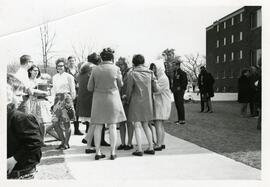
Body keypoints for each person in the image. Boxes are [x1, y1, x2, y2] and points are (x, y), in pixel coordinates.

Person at [87, 48, 126, 160]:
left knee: (98, 126)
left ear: (101, 58)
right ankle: (112, 153)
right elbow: (121, 84)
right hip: (112, 98)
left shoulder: (95, 69)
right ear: (112, 58)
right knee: (112, 126)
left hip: (98, 99)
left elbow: (89, 87)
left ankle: (98, 152)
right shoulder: (116, 69)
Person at [7, 74, 43, 179]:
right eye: (18, 95)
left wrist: (14, 159)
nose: (22, 99)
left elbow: (35, 142)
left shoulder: (22, 117)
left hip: (22, 172)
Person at [126, 54, 159, 156]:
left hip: (136, 102)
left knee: (137, 125)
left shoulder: (132, 73)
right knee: (146, 124)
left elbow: (129, 90)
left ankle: (139, 149)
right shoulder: (150, 73)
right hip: (147, 102)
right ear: (143, 62)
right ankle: (150, 147)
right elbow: (156, 89)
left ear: (133, 63)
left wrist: (127, 99)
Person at [51, 58, 76, 150]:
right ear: (56, 67)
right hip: (57, 99)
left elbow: (73, 91)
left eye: (61, 65)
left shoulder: (69, 76)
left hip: (66, 99)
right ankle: (62, 141)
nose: (60, 67)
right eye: (58, 66)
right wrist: (52, 102)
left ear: (65, 66)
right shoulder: (54, 77)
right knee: (55, 122)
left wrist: (70, 103)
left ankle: (66, 143)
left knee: (66, 123)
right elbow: (53, 90)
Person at [77, 53, 99, 154]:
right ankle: (88, 146)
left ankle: (87, 139)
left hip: (83, 98)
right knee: (93, 123)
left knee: (91, 123)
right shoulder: (94, 69)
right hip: (91, 98)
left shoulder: (83, 68)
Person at [27, 65, 53, 144]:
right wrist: (42, 92)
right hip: (31, 103)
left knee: (43, 123)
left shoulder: (41, 81)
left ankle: (42, 140)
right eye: (34, 70)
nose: (36, 72)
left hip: (41, 102)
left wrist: (46, 92)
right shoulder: (28, 81)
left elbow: (47, 92)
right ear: (30, 71)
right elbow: (31, 92)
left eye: (37, 70)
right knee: (33, 123)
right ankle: (34, 140)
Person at [150, 62, 172, 151]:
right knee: (160, 124)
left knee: (158, 124)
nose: (153, 70)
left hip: (161, 104)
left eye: (154, 67)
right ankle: (162, 143)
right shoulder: (162, 77)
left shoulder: (162, 78)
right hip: (162, 103)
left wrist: (153, 80)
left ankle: (158, 144)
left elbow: (157, 90)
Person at [115, 57, 134, 150]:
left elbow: (130, 87)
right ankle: (123, 143)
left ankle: (129, 143)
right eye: (119, 64)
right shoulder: (120, 72)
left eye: (121, 64)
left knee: (130, 122)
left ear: (126, 64)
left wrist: (126, 98)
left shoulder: (130, 73)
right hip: (120, 100)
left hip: (129, 101)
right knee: (122, 123)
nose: (120, 66)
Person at [67, 56, 83, 135]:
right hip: (68, 93)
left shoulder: (79, 71)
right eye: (70, 61)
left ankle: (77, 129)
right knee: (67, 111)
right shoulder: (65, 71)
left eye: (73, 61)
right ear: (68, 62)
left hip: (77, 93)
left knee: (77, 111)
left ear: (75, 61)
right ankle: (66, 130)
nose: (71, 62)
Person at [171, 60, 188, 125]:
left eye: (174, 65)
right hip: (175, 91)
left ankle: (182, 120)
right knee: (177, 105)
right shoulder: (175, 72)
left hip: (180, 91)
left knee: (180, 105)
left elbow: (185, 82)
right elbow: (174, 83)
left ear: (177, 65)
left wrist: (181, 88)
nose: (173, 66)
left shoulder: (182, 73)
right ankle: (179, 119)